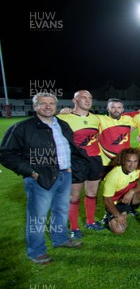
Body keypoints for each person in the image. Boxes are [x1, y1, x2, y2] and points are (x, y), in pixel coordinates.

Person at [0, 92, 83, 265]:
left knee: (61, 210)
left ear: (56, 106)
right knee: (38, 216)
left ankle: (60, 239)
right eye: (43, 103)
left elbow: (71, 148)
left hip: (64, 175)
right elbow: (6, 154)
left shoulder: (62, 124)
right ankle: (36, 251)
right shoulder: (22, 128)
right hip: (39, 178)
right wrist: (31, 172)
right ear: (35, 106)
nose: (48, 106)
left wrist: (71, 168)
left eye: (51, 103)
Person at [57, 90, 105, 238]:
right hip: (76, 161)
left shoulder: (96, 119)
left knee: (92, 193)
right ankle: (74, 228)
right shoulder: (62, 117)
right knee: (74, 196)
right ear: (74, 100)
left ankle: (90, 222)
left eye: (90, 97)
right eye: (83, 97)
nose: (87, 100)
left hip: (95, 159)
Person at [102, 147, 140, 232]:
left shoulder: (138, 168)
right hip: (115, 203)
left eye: (135, 161)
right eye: (129, 161)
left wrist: (132, 192)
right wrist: (117, 216)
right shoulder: (113, 176)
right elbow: (107, 199)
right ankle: (110, 215)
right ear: (123, 161)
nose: (132, 165)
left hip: (129, 198)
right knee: (119, 230)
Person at [97, 98, 136, 166]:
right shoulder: (99, 119)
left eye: (119, 107)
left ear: (122, 109)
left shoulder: (128, 119)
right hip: (106, 162)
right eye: (112, 107)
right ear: (107, 108)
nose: (116, 110)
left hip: (124, 161)